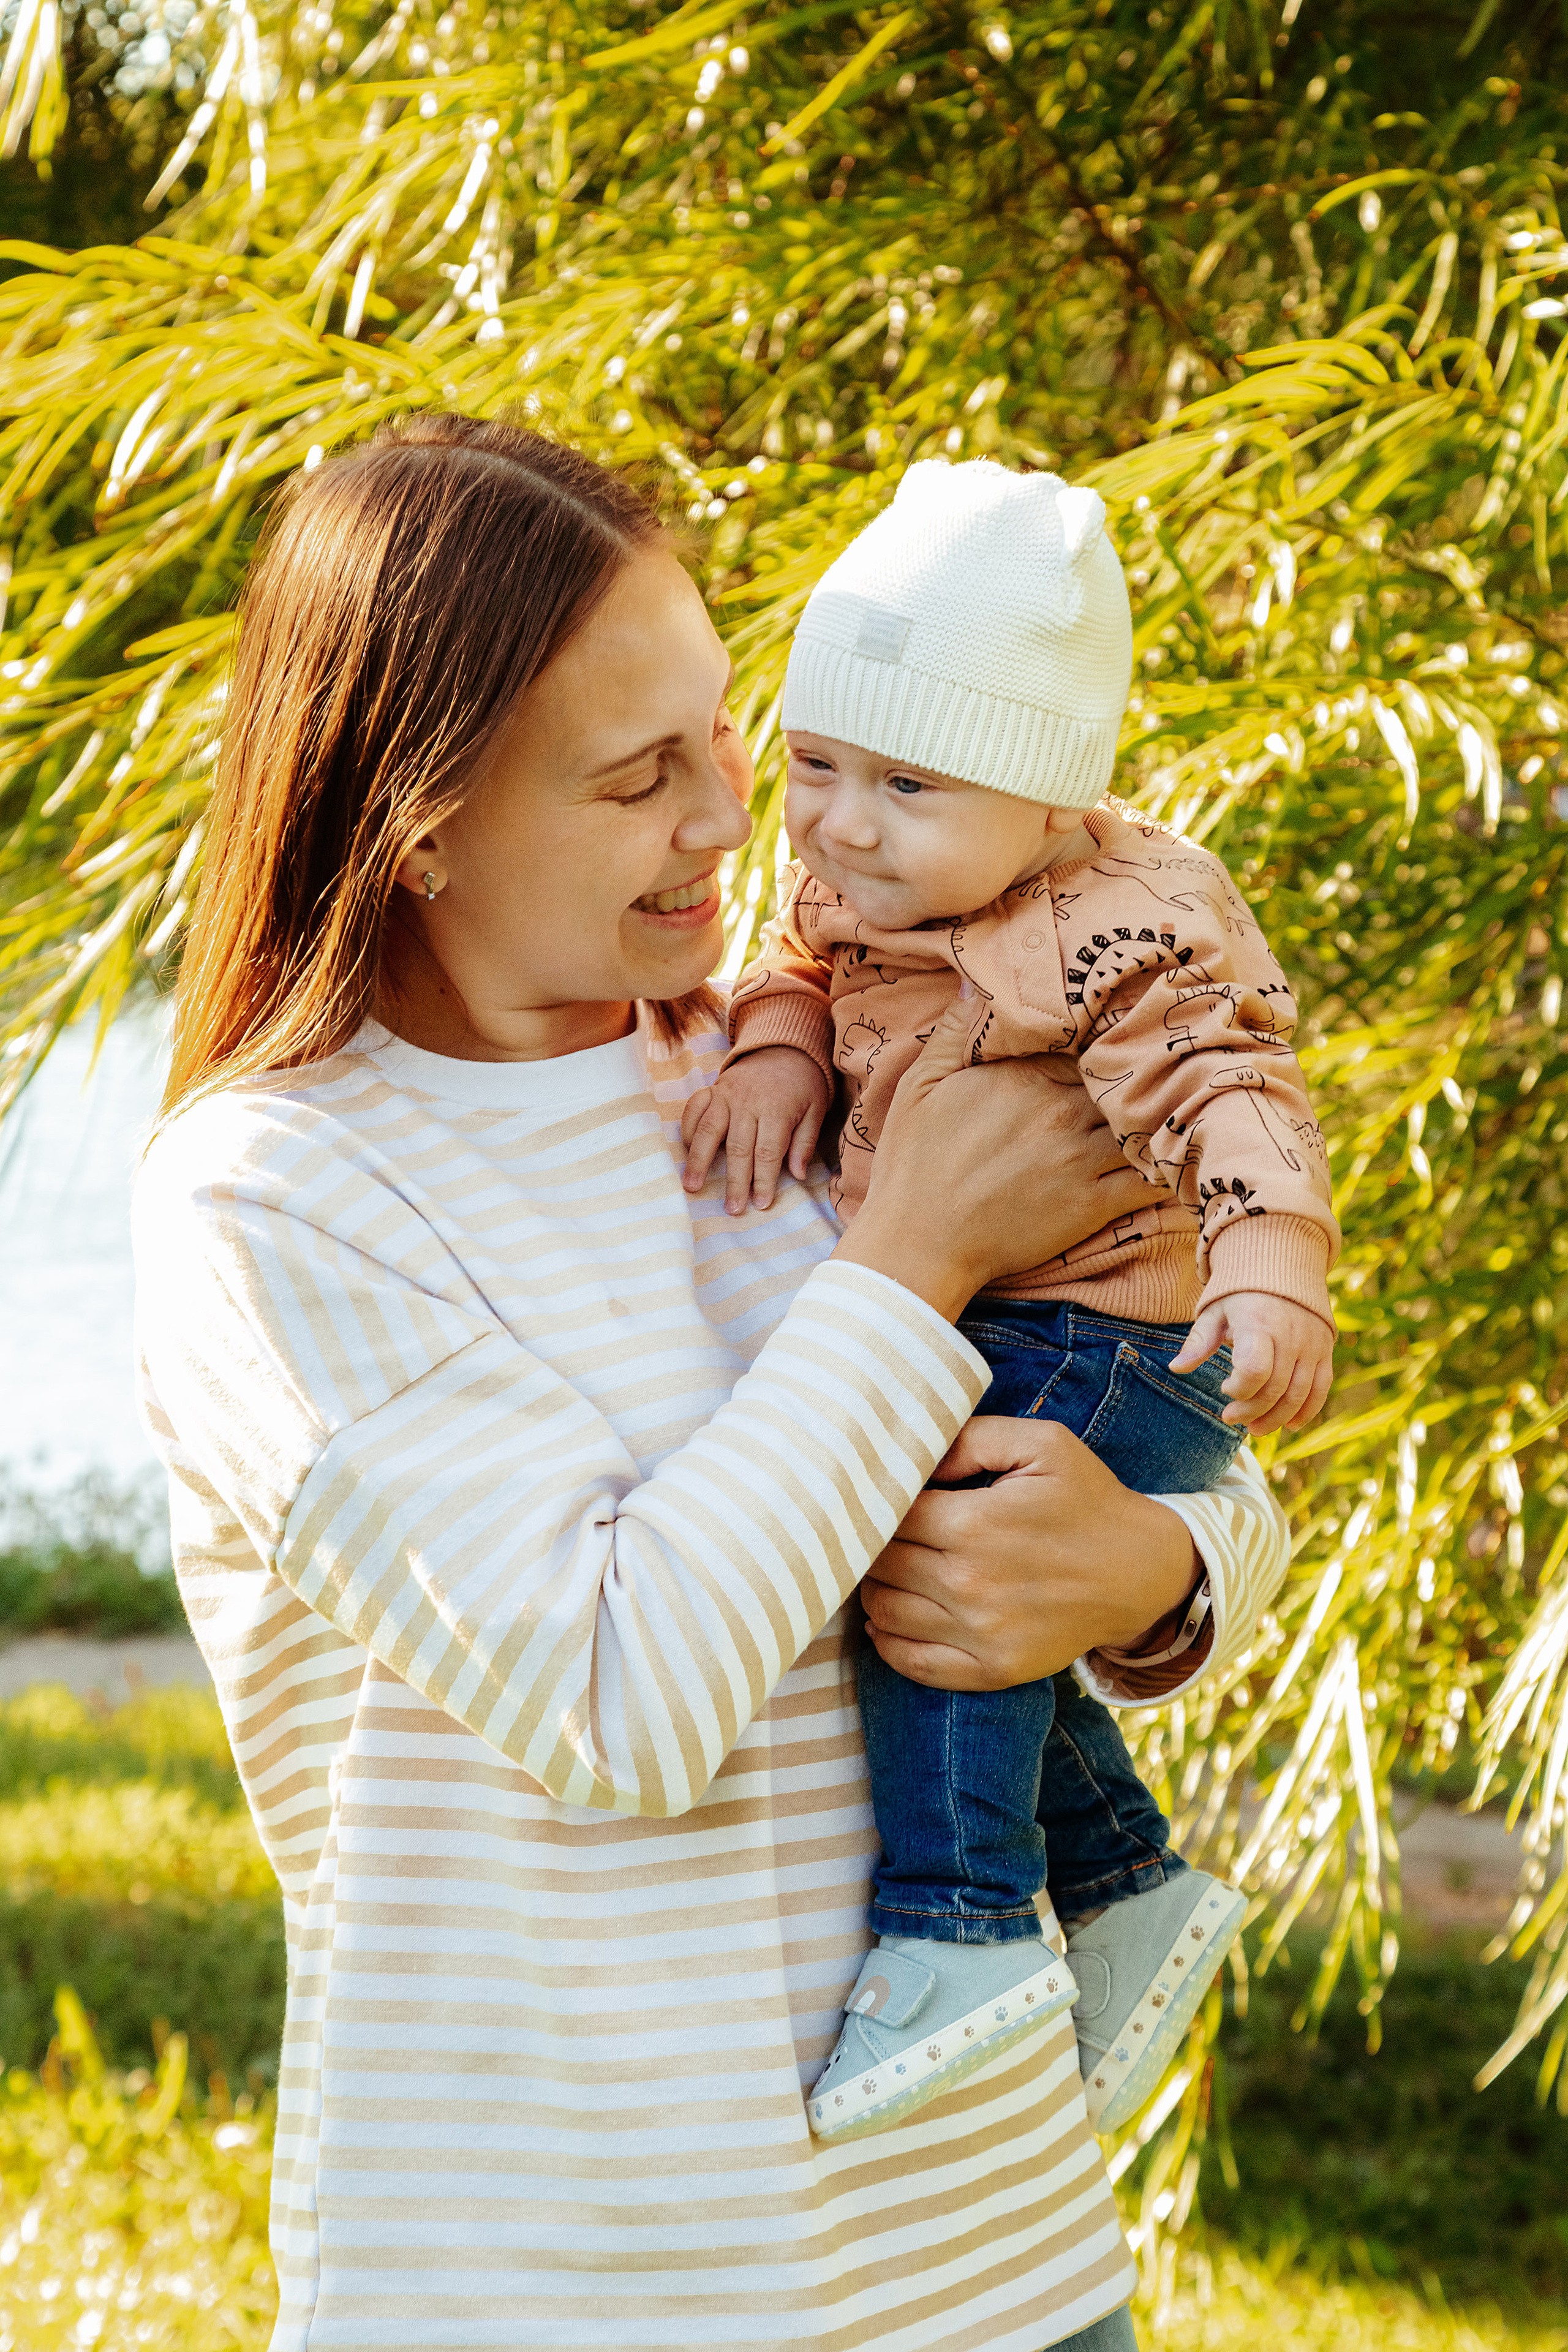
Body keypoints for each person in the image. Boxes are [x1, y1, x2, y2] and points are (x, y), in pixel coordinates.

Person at [134, 413, 1293, 2352]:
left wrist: (1158, 1581)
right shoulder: (281, 1198)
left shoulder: (826, 1056)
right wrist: (913, 1254)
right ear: (418, 820)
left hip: (995, 2264)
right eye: (637, 776)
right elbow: (617, 1700)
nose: (739, 823)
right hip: (584, 2288)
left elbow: (1151, 1428)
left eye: (727, 735)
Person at [681, 459, 1336, 2142]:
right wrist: (771, 1050)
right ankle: (1119, 1882)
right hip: (999, 1308)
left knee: (936, 1557)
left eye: (904, 781)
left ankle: (960, 1925)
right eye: (814, 762)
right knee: (957, 1563)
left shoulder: (1119, 928)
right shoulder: (887, 877)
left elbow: (1229, 1092)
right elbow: (802, 962)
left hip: (1112, 1326)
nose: (835, 821)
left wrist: (1273, 1268)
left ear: (1048, 800)